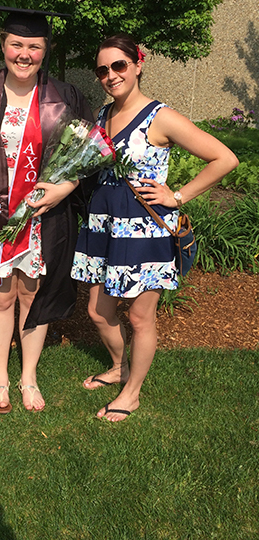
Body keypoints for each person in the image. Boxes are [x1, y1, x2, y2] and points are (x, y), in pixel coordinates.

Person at [72, 34, 239, 421]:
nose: (110, 75)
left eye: (119, 66)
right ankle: (119, 367)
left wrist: (177, 195)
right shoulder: (102, 116)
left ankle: (131, 394)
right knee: (99, 311)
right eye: (102, 70)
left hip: (145, 229)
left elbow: (224, 158)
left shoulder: (160, 117)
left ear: (137, 65)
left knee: (140, 317)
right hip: (105, 225)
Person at [0, 7, 93, 413]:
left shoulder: (66, 96)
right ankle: (1, 378)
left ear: (45, 50)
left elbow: (87, 154)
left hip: (42, 217)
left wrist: (64, 189)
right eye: (16, 44)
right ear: (2, 45)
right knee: (1, 297)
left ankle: (29, 377)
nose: (24, 53)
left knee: (33, 294)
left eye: (33, 46)